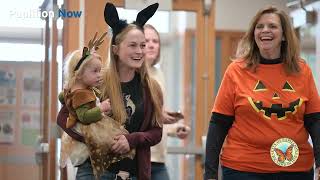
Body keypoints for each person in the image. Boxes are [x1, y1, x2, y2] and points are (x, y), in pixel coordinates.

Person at [204, 6, 320, 180]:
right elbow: (218, 123)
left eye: (272, 26)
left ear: (284, 35)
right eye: (260, 27)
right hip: (243, 168)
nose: (265, 30)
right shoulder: (236, 71)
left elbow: (315, 122)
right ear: (253, 34)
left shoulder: (302, 71)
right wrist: (210, 174)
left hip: (294, 168)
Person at [57, 2, 163, 180]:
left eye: (142, 46)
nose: (139, 51)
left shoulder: (152, 88)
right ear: (115, 49)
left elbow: (156, 133)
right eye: (132, 45)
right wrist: (98, 139)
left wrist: (131, 140)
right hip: (94, 172)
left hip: (132, 174)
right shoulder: (96, 82)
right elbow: (63, 119)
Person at [58, 33, 135, 179]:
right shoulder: (84, 91)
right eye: (95, 71)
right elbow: (70, 117)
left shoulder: (84, 88)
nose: (99, 75)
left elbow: (63, 98)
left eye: (99, 71)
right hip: (90, 157)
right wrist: (100, 110)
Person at [144, 24, 190, 180]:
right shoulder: (130, 73)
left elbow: (159, 116)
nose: (151, 45)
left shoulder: (158, 74)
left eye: (155, 41)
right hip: (138, 155)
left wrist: (174, 129)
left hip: (159, 157)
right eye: (146, 40)